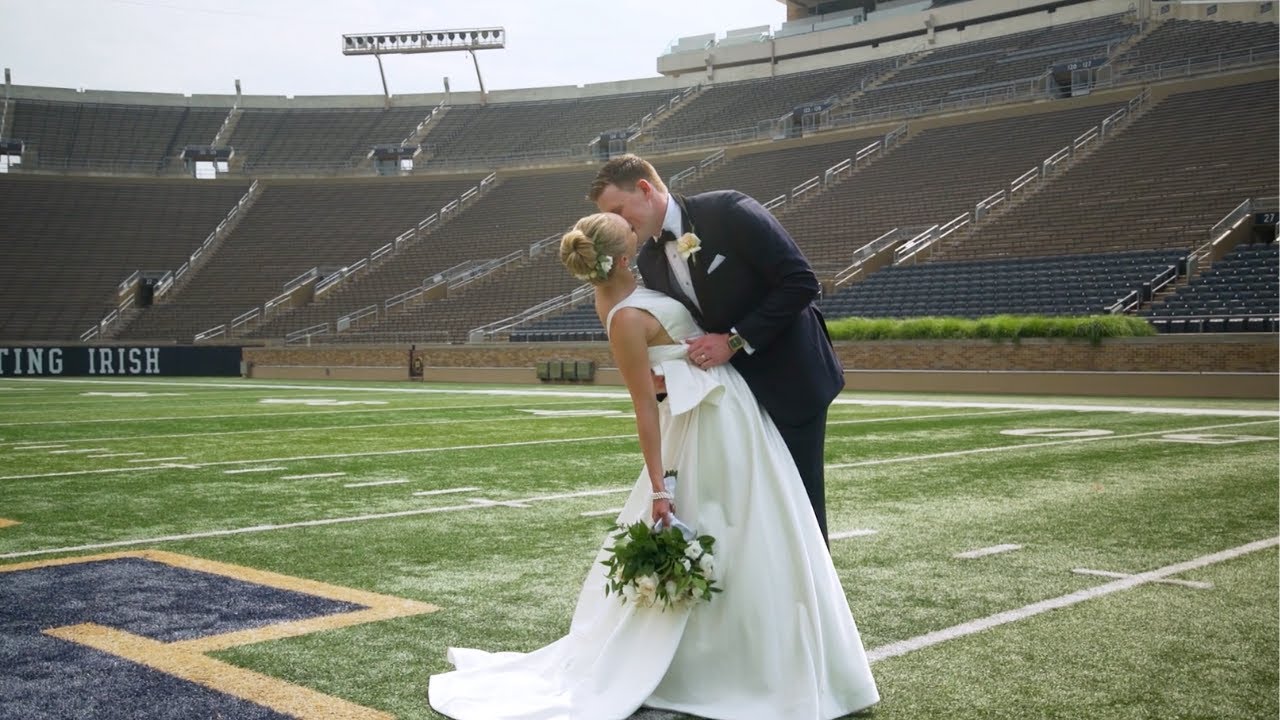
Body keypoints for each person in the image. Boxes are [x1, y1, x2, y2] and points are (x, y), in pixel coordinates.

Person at [427, 213, 878, 720]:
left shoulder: (635, 289)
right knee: (727, 529)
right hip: (701, 424)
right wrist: (659, 488)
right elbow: (644, 404)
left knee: (762, 531)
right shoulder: (621, 314)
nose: (644, 240)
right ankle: (727, 668)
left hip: (735, 413)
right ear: (621, 257)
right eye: (634, 239)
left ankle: (782, 660)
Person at [590, 154, 843, 544]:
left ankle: (813, 605)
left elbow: (802, 282)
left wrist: (735, 340)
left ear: (644, 188)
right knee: (750, 518)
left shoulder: (728, 210)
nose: (618, 225)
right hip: (730, 402)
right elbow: (686, 330)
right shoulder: (650, 260)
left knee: (800, 514)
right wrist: (667, 374)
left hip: (790, 381)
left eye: (619, 211)